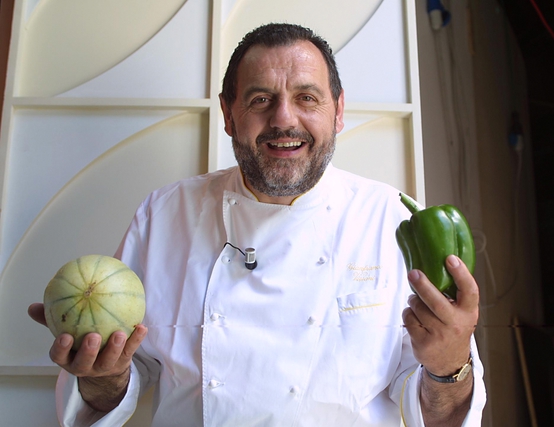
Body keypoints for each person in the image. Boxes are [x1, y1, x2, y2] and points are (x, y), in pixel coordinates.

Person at [28, 23, 486, 426]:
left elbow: (440, 417)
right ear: (229, 114)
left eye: (306, 97)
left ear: (338, 110)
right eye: (260, 99)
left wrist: (450, 366)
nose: (284, 119)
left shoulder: (393, 220)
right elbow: (122, 379)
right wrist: (102, 376)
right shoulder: (165, 215)